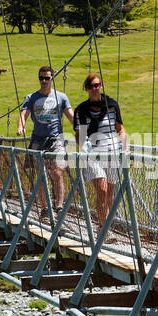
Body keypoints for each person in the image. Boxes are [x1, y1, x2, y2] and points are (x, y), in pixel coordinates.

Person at [72, 73, 127, 228]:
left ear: (101, 86)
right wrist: (83, 147)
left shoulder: (112, 105)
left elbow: (120, 129)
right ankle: (105, 230)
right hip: (93, 155)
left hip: (112, 152)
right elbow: (79, 135)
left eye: (97, 85)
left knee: (109, 194)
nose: (94, 89)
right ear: (87, 89)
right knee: (102, 189)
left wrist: (125, 148)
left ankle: (105, 226)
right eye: (91, 87)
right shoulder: (81, 110)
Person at [17, 67, 74, 214]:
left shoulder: (61, 97)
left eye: (47, 78)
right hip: (38, 139)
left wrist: (81, 131)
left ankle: (60, 206)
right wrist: (20, 127)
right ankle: (44, 207)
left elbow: (71, 116)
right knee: (40, 173)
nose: (43, 81)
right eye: (41, 78)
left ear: (52, 79)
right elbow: (23, 114)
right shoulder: (31, 97)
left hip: (56, 139)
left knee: (58, 171)